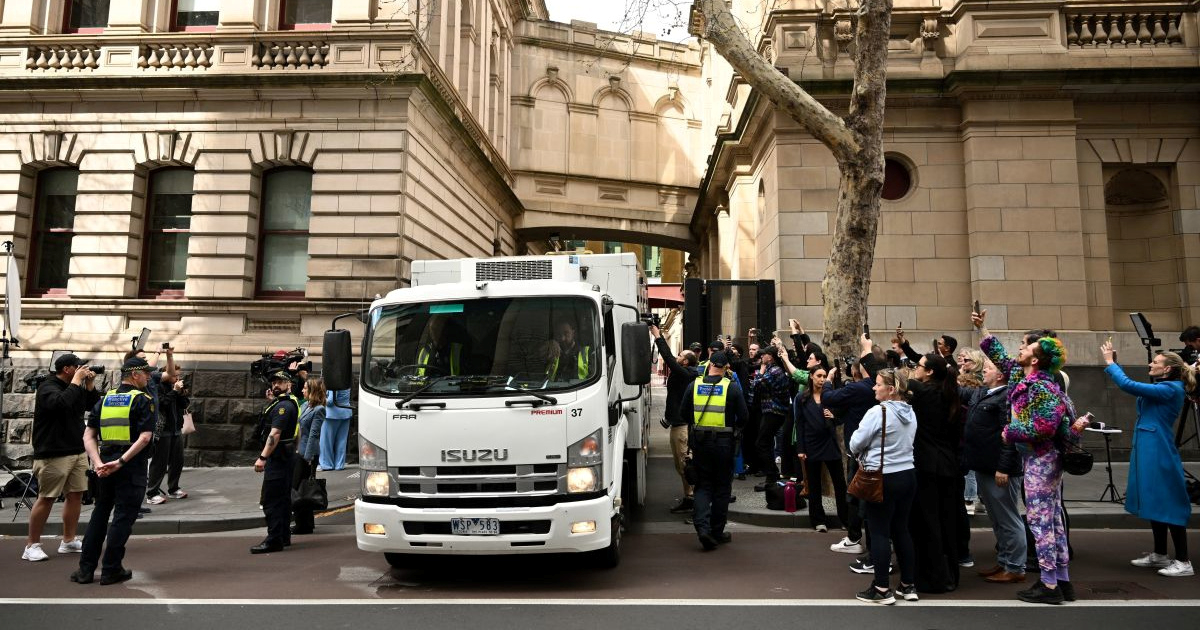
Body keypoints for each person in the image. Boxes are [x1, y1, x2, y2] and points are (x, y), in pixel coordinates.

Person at [975, 309, 1080, 604]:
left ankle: (1048, 585)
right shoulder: (1027, 377)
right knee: (1052, 520)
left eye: (1026, 347)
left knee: (1041, 522)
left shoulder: (1041, 386)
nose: (1020, 349)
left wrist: (1011, 431)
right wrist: (983, 330)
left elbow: (1043, 427)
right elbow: (1002, 358)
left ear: (1035, 360)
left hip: (1041, 460)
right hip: (1041, 459)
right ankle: (1061, 581)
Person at [1101, 342, 1195, 577]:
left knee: (1168, 502)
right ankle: (1160, 554)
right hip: (1149, 446)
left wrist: (1111, 364)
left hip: (1158, 448)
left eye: (1156, 362)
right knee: (1155, 501)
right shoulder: (1166, 386)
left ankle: (1183, 561)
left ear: (1167, 369)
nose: (1150, 364)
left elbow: (1128, 385)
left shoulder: (1171, 388)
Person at [70, 357, 156, 585]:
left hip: (104, 465)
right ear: (134, 375)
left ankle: (85, 570)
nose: (149, 377)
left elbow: (88, 435)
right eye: (146, 373)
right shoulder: (143, 400)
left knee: (100, 513)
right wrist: (121, 461)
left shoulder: (105, 399)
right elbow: (145, 437)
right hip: (130, 465)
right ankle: (111, 569)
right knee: (123, 518)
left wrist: (98, 462)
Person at [849, 367, 919, 605]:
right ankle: (908, 585)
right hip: (908, 474)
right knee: (902, 530)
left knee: (879, 532)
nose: (873, 387)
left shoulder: (877, 412)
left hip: (882, 477)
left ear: (891, 390)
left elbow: (855, 442)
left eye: (878, 384)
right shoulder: (910, 412)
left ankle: (880, 588)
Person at [24, 354, 102, 562]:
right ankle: (31, 545)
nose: (82, 369)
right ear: (67, 369)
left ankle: (68, 541)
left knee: (76, 494)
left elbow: (92, 406)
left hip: (76, 449)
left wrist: (90, 385)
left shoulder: (75, 387)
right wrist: (77, 382)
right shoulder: (47, 387)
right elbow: (60, 404)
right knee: (47, 497)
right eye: (77, 367)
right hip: (53, 452)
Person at [961, 358, 1027, 584]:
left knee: (1008, 518)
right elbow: (958, 391)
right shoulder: (982, 393)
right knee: (998, 519)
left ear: (1000, 375)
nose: (984, 372)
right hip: (984, 466)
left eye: (988, 369)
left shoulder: (1007, 398)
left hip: (999, 470)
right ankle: (1004, 560)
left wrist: (1004, 467)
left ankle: (1016, 566)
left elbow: (1011, 436)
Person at [906, 352, 966, 593]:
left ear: (929, 372)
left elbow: (897, 380)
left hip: (927, 466)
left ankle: (933, 577)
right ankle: (950, 574)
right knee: (946, 521)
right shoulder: (949, 393)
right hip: (948, 465)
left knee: (927, 523)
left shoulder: (925, 393)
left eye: (918, 366)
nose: (914, 369)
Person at [678, 351, 748, 550]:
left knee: (703, 486)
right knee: (722, 488)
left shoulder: (694, 386)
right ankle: (717, 532)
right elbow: (744, 417)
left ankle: (702, 529)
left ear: (709, 365)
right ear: (726, 368)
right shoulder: (732, 388)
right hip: (724, 444)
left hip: (700, 444)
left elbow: (683, 413)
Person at [823, 341, 880, 560]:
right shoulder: (877, 388)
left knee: (856, 495)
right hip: (877, 451)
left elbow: (829, 399)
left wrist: (828, 382)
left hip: (859, 451)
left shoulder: (859, 388)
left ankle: (856, 539)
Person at [651, 324, 700, 514]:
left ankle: (694, 499)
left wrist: (657, 336)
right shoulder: (685, 373)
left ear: (686, 362)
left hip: (682, 427)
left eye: (681, 356)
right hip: (677, 425)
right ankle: (689, 496)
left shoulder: (685, 374)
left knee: (685, 464)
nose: (677, 357)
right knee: (681, 465)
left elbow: (669, 359)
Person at [795, 366, 849, 533]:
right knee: (814, 484)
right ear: (811, 376)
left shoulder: (831, 397)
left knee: (840, 484)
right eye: (819, 375)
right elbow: (799, 424)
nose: (822, 379)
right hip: (811, 445)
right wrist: (801, 449)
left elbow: (842, 417)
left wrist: (833, 417)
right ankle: (818, 520)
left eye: (824, 376)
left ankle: (846, 519)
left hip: (830, 443)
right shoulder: (802, 398)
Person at [252, 370, 300, 554]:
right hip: (287, 457)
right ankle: (283, 536)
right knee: (283, 499)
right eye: (273, 382)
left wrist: (262, 458)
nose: (275, 385)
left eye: (280, 382)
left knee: (270, 500)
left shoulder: (283, 408)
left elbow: (275, 434)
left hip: (278, 458)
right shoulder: (288, 403)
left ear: (289, 384)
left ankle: (273, 540)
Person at [751, 345, 792, 491]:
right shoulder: (773, 369)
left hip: (775, 411)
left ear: (771, 357)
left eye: (764, 355)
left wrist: (760, 370)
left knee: (761, 443)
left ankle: (772, 475)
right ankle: (771, 476)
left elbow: (756, 385)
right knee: (765, 443)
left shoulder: (774, 370)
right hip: (772, 411)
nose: (762, 357)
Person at [146, 374, 190, 504]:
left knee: (178, 461)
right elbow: (162, 403)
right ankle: (152, 493)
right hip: (163, 430)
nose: (176, 377)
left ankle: (173, 489)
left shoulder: (176, 387)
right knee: (159, 463)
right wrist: (174, 391)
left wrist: (181, 393)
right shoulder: (157, 386)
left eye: (178, 374)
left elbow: (185, 405)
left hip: (176, 429)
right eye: (174, 375)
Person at [293, 376, 327, 536]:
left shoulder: (319, 409)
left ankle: (303, 525)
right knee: (301, 487)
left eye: (305, 388)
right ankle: (305, 523)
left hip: (309, 453)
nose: (302, 390)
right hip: (300, 450)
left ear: (312, 391)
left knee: (303, 488)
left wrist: (307, 456)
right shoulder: (306, 405)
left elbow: (314, 434)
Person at [320, 387, 352, 471]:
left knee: (326, 441)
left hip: (332, 414)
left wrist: (318, 399)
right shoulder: (346, 381)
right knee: (342, 441)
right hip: (346, 412)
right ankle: (339, 464)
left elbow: (330, 401)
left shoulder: (334, 382)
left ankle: (326, 464)